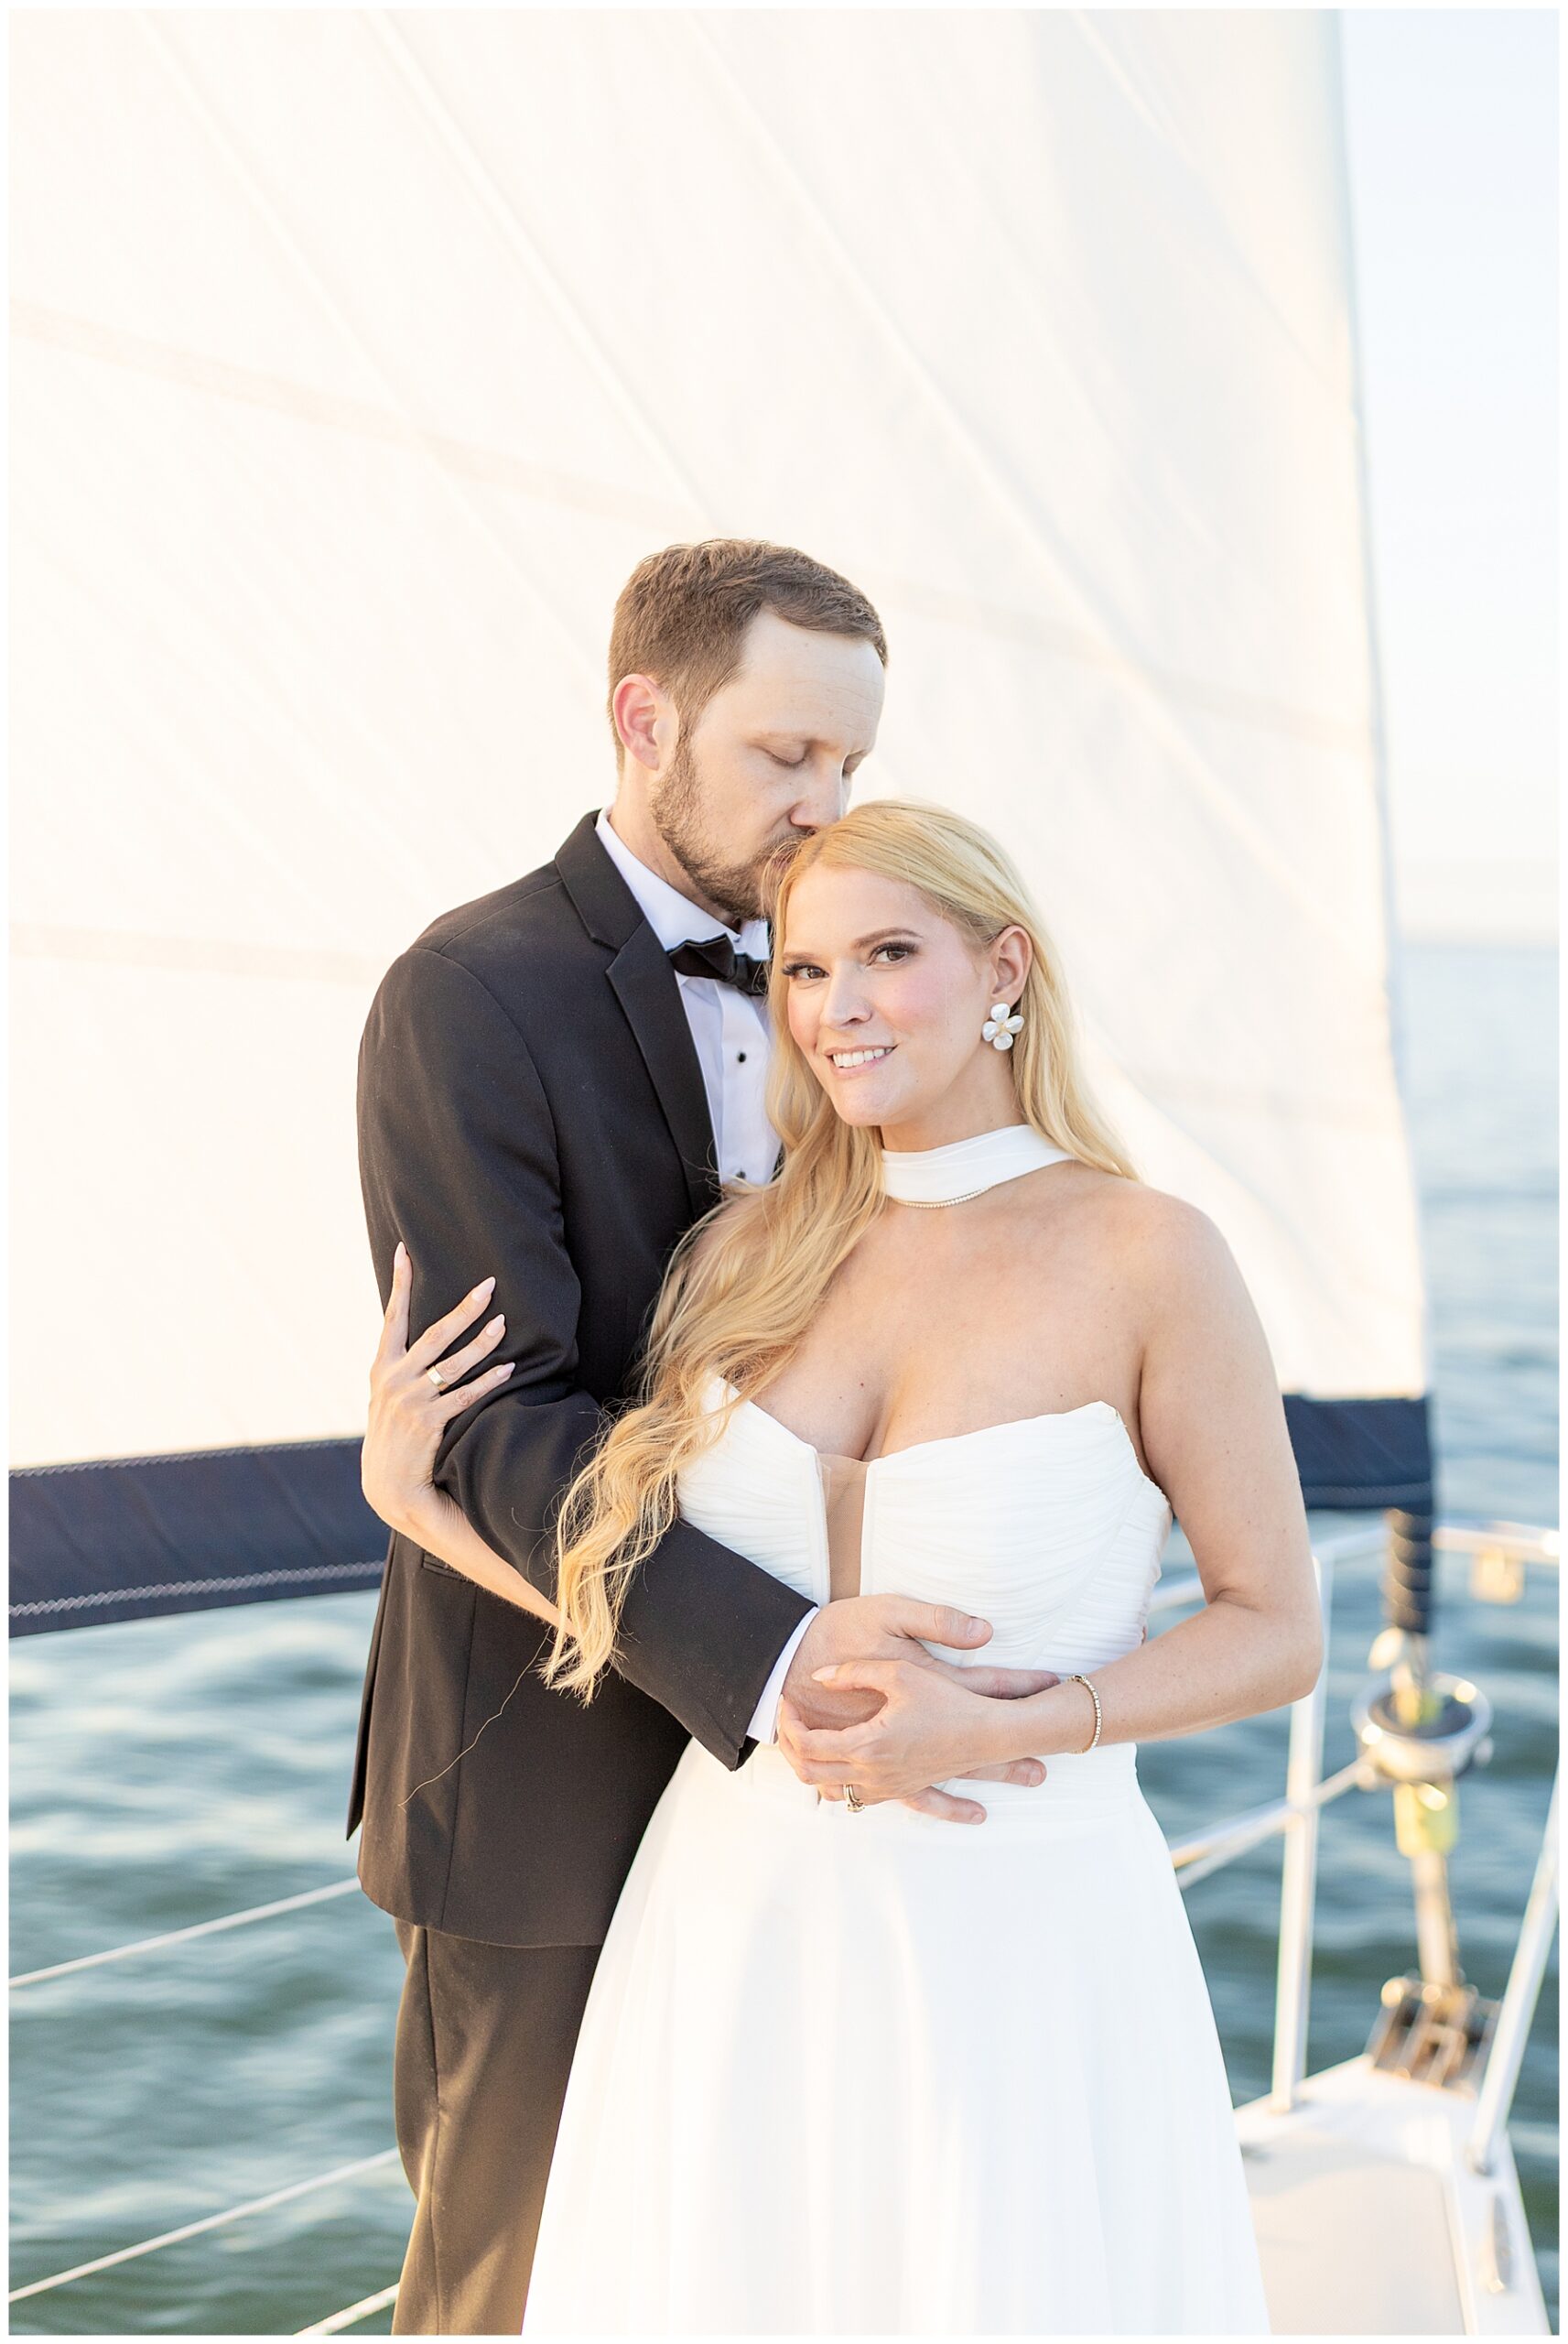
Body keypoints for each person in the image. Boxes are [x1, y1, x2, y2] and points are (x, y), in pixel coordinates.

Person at [363, 797, 1321, 2333]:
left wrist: (1010, 1722)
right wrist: (417, 1509)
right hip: (728, 1917)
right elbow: (642, 1581)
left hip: (1018, 1937)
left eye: (888, 954)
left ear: (1002, 967)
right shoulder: (746, 1253)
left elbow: (1275, 1630)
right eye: (801, 971)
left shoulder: (1152, 1255)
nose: (837, 1009)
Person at [351, 540, 1067, 2336]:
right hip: (543, 1776)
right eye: (784, 758)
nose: (825, 800)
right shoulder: (468, 991)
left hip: (819, 1808)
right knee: (507, 2289)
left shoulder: (854, 980)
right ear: (642, 718)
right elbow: (499, 1423)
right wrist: (783, 1651)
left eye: (850, 762)